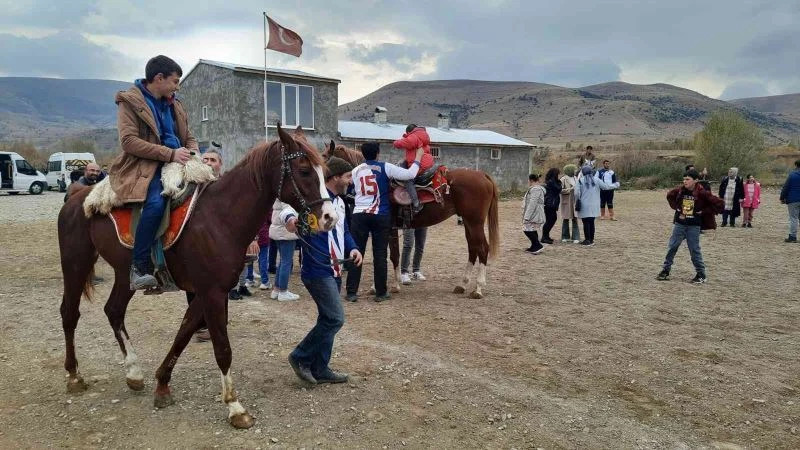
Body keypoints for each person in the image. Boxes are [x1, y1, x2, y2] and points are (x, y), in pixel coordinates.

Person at [111, 55, 197, 290]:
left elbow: (188, 136)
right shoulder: (129, 102)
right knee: (157, 204)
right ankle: (139, 266)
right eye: (175, 81)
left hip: (179, 161)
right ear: (158, 78)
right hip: (144, 167)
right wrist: (169, 155)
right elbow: (128, 142)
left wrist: (193, 153)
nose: (177, 87)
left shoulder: (175, 104)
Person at [286, 156, 363, 385]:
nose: (351, 181)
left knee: (327, 317)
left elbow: (345, 232)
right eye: (348, 176)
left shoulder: (338, 202)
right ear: (336, 177)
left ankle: (320, 367)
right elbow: (286, 212)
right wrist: (291, 219)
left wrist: (353, 248)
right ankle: (300, 357)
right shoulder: (313, 200)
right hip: (318, 270)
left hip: (336, 269)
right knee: (335, 318)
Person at [346, 143, 424, 302]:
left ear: (362, 154)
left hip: (359, 215)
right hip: (380, 215)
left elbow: (350, 189)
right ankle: (381, 293)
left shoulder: (355, 171)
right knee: (380, 254)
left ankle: (351, 292)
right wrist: (418, 157)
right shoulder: (386, 167)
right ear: (378, 153)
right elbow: (410, 174)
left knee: (356, 252)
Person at [657, 169, 724, 283]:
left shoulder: (703, 193)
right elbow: (669, 195)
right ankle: (665, 270)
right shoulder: (679, 191)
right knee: (672, 247)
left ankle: (701, 274)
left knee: (694, 250)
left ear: (696, 180)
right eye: (683, 179)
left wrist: (703, 211)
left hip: (694, 226)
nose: (685, 181)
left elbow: (720, 204)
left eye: (688, 179)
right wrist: (677, 207)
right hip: (680, 224)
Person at [574, 165, 620, 246]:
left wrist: (578, 199)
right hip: (595, 204)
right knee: (592, 222)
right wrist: (615, 184)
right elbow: (606, 187)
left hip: (584, 204)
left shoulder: (580, 181)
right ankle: (591, 240)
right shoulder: (596, 180)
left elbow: (576, 193)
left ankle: (587, 240)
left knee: (586, 222)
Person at [393, 124, 435, 213]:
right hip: (426, 163)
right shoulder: (424, 137)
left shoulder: (413, 137)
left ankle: (416, 203)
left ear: (409, 132)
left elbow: (398, 144)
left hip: (419, 164)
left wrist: (397, 141)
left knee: (408, 180)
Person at [269, 199, 301, 301]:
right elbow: (288, 210)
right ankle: (283, 291)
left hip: (278, 230)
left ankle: (277, 289)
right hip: (285, 231)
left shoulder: (278, 195)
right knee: (286, 262)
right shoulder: (285, 196)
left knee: (283, 261)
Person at [522, 173, 546, 254]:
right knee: (531, 229)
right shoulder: (534, 188)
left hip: (535, 213)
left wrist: (527, 216)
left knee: (527, 229)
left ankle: (538, 245)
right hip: (534, 212)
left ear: (531, 180)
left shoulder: (536, 189)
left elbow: (533, 203)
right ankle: (534, 246)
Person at [559, 164, 581, 243]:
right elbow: (560, 190)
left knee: (575, 218)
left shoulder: (576, 178)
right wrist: (570, 189)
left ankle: (576, 237)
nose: (575, 171)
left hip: (574, 201)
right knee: (566, 219)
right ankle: (565, 236)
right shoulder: (563, 179)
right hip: (567, 201)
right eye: (574, 170)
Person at [779, 159, 800, 243]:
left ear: (796, 165)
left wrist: (782, 197)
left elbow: (786, 187)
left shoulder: (792, 175)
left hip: (793, 199)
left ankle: (792, 236)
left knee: (793, 218)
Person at [541, 168, 561, 244]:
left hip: (551, 203)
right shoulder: (551, 182)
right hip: (550, 203)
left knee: (551, 219)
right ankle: (544, 237)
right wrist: (559, 182)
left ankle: (546, 236)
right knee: (550, 220)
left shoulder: (550, 181)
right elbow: (558, 189)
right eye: (558, 174)